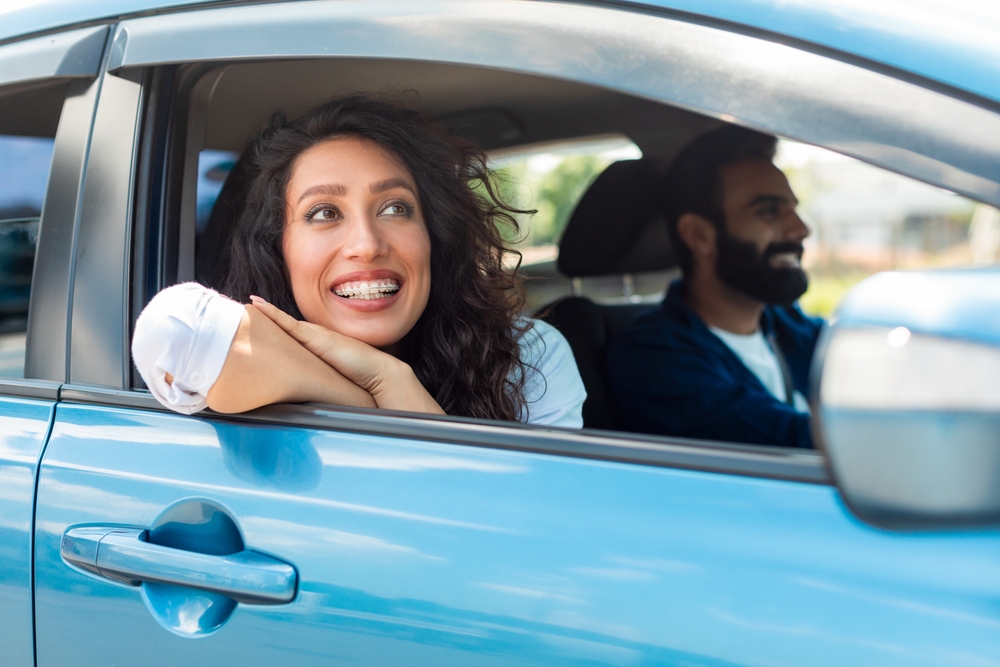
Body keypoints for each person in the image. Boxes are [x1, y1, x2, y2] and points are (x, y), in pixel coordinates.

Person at [132, 96, 585, 427]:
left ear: (433, 235)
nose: (367, 245)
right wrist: (370, 393)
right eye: (324, 213)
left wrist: (392, 381)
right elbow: (170, 327)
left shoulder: (525, 358)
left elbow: (524, 540)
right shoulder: (236, 341)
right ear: (278, 249)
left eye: (394, 208)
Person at [606, 125, 822, 448]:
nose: (800, 229)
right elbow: (787, 444)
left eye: (793, 208)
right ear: (699, 236)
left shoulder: (788, 324)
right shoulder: (655, 359)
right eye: (767, 211)